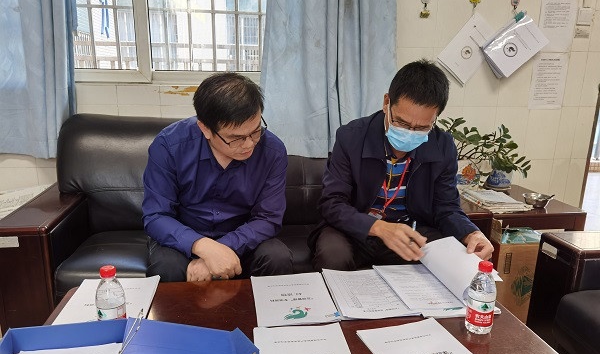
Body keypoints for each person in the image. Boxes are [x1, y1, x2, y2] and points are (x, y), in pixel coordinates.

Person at [310, 59, 493, 271]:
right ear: (386, 102)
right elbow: (332, 203)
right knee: (333, 254)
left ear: (435, 118)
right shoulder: (351, 137)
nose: (409, 133)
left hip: (409, 232)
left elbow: (447, 208)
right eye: (401, 122)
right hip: (354, 230)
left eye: (422, 127)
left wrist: (471, 233)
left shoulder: (443, 147)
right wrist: (379, 227)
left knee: (453, 258)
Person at [143, 72, 293, 282]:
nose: (249, 144)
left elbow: (268, 218)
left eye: (255, 131)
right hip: (182, 238)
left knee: (276, 257)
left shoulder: (273, 151)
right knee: (167, 267)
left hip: (243, 238)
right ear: (205, 128)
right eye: (236, 138)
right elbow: (156, 216)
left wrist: (222, 249)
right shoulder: (169, 146)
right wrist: (203, 247)